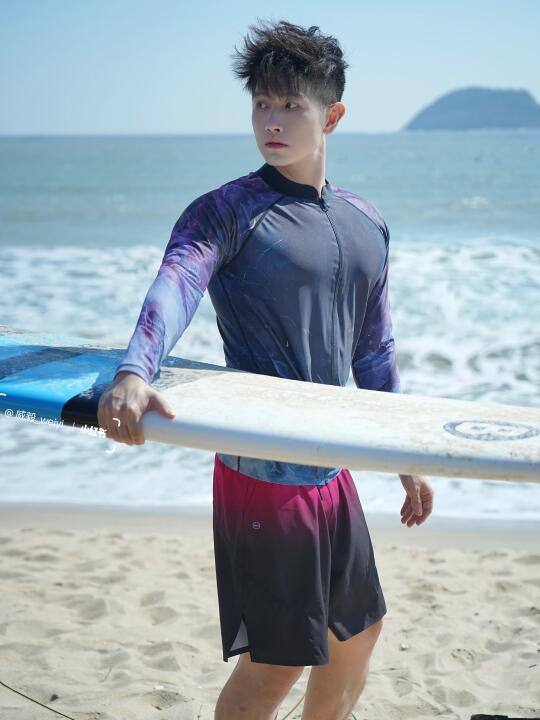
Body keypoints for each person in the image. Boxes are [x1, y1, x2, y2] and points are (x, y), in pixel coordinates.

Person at [98, 18, 434, 720]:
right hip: (262, 475)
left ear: (331, 117)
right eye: (260, 105)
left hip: (331, 467)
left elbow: (373, 351)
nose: (272, 121)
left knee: (357, 635)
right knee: (277, 662)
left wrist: (406, 454)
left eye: (290, 105)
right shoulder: (227, 212)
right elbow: (175, 284)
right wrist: (134, 371)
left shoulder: (366, 222)